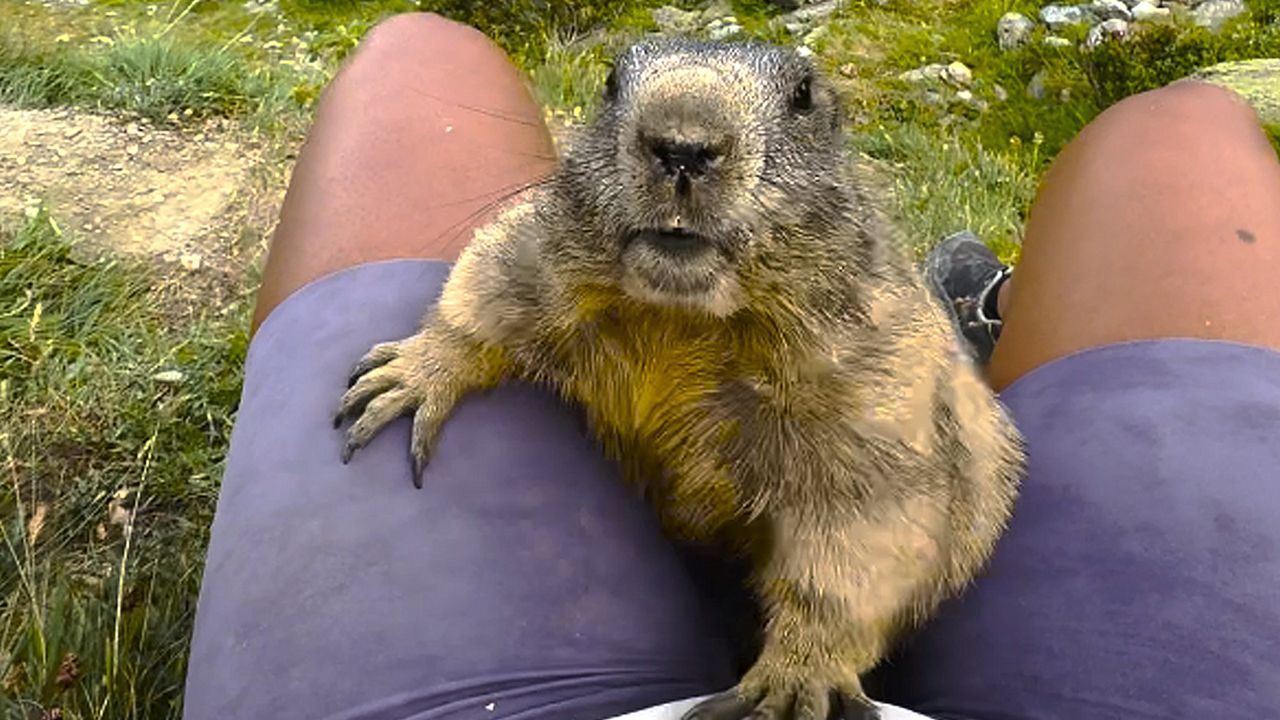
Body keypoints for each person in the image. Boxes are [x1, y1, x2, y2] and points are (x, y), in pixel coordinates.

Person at [181, 12, 1280, 720]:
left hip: (829, 621)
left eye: (790, 108)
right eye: (628, 97)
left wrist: (816, 648)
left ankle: (959, 343)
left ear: (832, 157)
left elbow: (878, 503)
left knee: (411, 59)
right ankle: (991, 308)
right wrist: (446, 349)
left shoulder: (849, 321)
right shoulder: (566, 236)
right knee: (1178, 136)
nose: (680, 140)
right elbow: (503, 272)